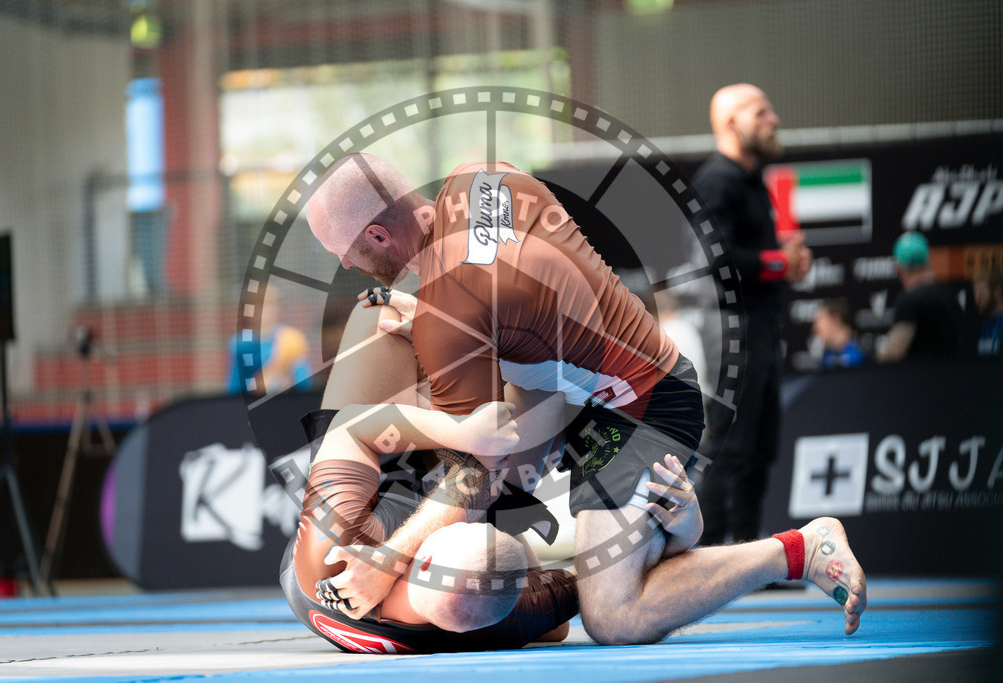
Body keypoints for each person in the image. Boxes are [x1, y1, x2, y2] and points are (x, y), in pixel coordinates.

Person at [305, 152, 866, 646]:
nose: (348, 266)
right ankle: (669, 530)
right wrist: (439, 316)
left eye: (345, 253)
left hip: (639, 404)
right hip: (579, 389)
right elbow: (506, 288)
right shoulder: (479, 173)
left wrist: (387, 561)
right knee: (496, 473)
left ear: (378, 235)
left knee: (615, 616)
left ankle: (797, 548)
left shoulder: (448, 318)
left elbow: (476, 470)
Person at [281, 299, 578, 653]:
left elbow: (350, 428)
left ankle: (449, 374)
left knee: (377, 315)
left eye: (465, 525)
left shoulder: (332, 554)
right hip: (479, 486)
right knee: (540, 384)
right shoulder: (493, 621)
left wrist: (456, 426)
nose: (469, 520)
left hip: (378, 491)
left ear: (427, 562)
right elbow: (557, 625)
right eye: (480, 523)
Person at [690, 84, 812, 547]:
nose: (774, 120)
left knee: (760, 444)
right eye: (761, 112)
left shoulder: (751, 180)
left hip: (756, 325)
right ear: (732, 123)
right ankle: (709, 552)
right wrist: (781, 261)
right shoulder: (717, 181)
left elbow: (754, 258)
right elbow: (717, 261)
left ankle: (747, 551)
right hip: (731, 329)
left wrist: (784, 262)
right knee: (733, 441)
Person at [877, 232, 963, 362]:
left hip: (923, 379)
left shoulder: (910, 300)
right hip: (957, 378)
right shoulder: (950, 295)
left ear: (898, 268)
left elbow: (895, 353)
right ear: (928, 261)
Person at [228, 285, 312, 394]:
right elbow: (234, 387)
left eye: (271, 305)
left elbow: (304, 383)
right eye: (260, 305)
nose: (267, 311)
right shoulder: (239, 343)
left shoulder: (293, 340)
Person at [811, 299, 865, 369]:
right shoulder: (826, 357)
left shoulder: (864, 352)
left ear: (835, 320)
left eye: (820, 319)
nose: (814, 327)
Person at [973, 271, 1003, 357]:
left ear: (997, 291)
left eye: (980, 293)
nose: (976, 299)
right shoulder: (978, 322)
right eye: (974, 293)